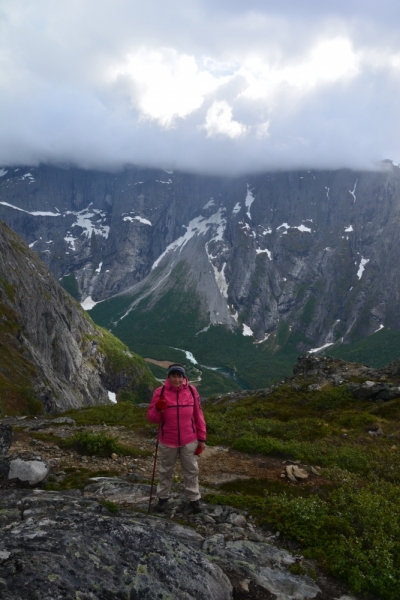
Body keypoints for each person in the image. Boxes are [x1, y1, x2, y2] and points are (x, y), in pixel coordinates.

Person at [147, 363, 206, 513]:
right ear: (169, 377)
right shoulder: (160, 392)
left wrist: (202, 438)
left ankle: (194, 498)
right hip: (168, 440)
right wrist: (158, 409)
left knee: (191, 470)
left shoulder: (192, 391)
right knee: (166, 470)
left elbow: (198, 415)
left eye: (180, 376)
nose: (177, 379)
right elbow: (152, 418)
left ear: (184, 377)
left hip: (189, 439)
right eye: (174, 375)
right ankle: (163, 498)